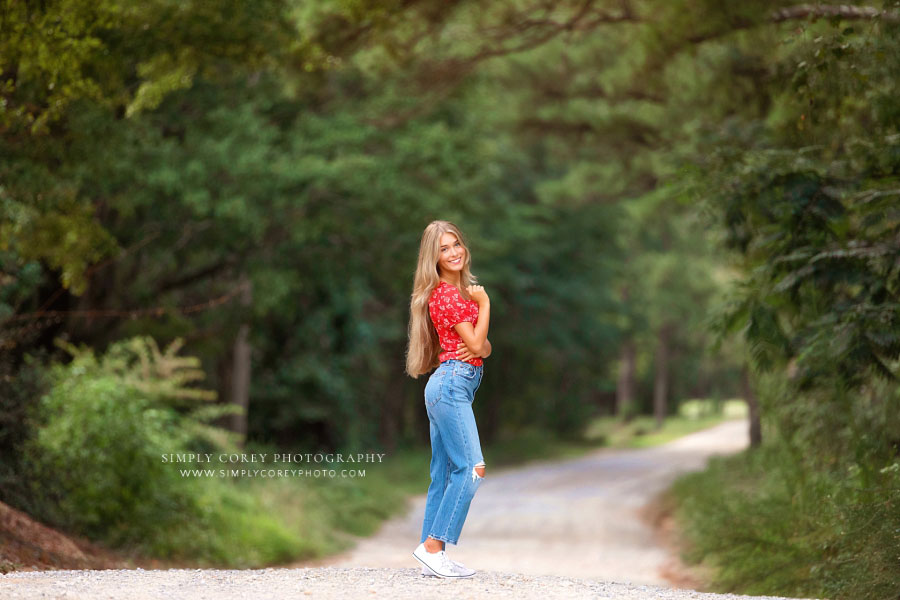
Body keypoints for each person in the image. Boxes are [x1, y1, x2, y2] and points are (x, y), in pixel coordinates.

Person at [405, 220, 492, 579]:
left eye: (456, 244)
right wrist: (485, 305)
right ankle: (433, 548)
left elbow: (484, 348)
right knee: (472, 469)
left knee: (443, 475)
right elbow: (477, 346)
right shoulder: (447, 295)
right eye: (444, 248)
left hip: (449, 385)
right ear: (433, 257)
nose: (453, 252)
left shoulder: (459, 295)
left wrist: (478, 341)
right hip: (451, 385)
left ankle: (431, 555)